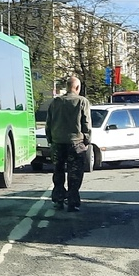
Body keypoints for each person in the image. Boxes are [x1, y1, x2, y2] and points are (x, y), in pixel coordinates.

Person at [45, 75, 93, 210]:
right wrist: (87, 140)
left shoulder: (55, 102)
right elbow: (86, 123)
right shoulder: (82, 102)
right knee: (75, 174)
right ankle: (72, 202)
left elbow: (48, 123)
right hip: (76, 143)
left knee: (58, 172)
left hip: (57, 142)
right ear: (77, 87)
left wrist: (50, 140)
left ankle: (58, 199)